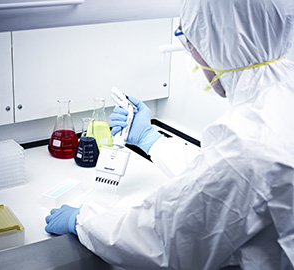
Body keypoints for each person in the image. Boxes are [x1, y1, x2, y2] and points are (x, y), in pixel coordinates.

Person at [45, 0, 294, 269]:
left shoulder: (248, 141)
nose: (194, 56)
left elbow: (162, 241)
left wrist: (83, 219)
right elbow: (223, 178)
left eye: (192, 42)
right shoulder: (280, 97)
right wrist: (151, 140)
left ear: (221, 42)